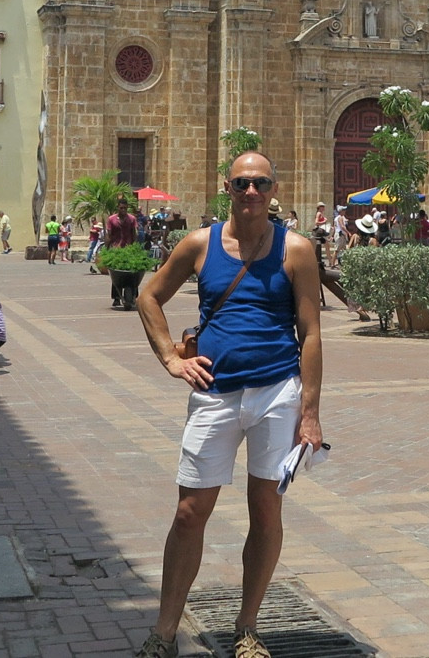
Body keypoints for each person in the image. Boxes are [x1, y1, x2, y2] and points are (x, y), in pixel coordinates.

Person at [132, 151, 323, 658]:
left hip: (277, 393)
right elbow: (148, 297)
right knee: (191, 511)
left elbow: (311, 333)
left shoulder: (297, 250)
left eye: (260, 183)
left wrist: (309, 412)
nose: (252, 192)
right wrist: (171, 359)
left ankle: (247, 628)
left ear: (274, 187)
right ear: (229, 188)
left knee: (266, 510)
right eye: (243, 183)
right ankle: (165, 632)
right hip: (214, 394)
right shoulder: (200, 243)